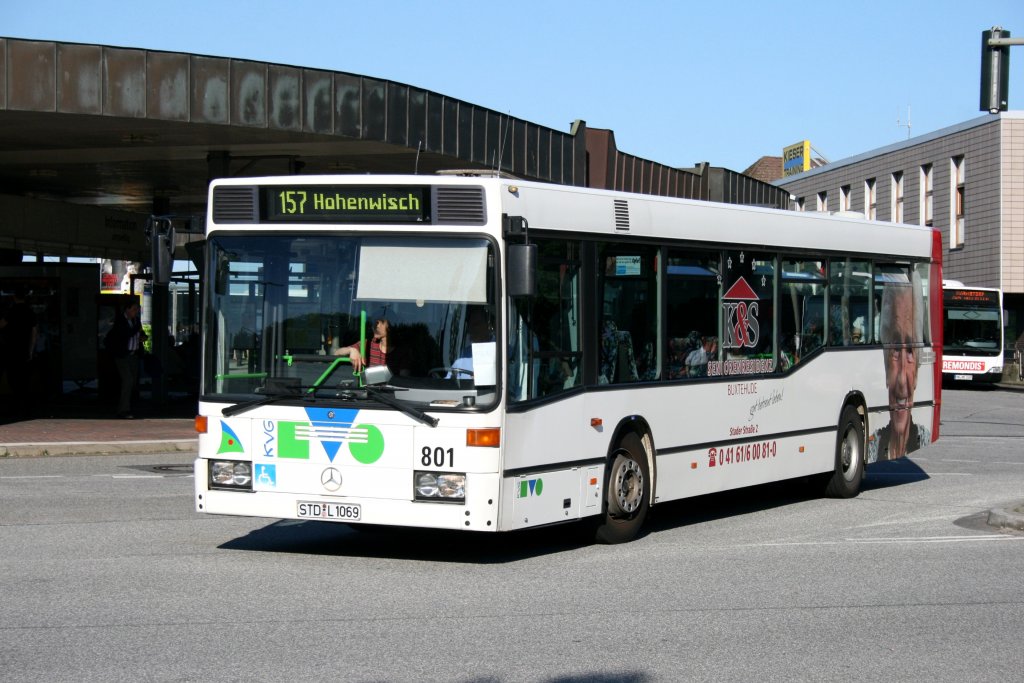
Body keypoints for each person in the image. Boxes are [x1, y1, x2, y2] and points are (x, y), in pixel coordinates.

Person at [869, 281, 929, 462]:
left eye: (911, 351)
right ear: (886, 367)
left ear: (917, 372)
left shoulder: (924, 436)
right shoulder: (872, 446)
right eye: (895, 350)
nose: (902, 381)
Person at [0, 285, 38, 418]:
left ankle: (16, 405)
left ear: (14, 297)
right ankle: (26, 406)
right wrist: (31, 350)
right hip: (24, 349)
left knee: (13, 378)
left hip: (11, 349)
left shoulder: (11, 311)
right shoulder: (30, 312)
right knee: (24, 379)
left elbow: (2, 325)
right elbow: (34, 333)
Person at [105, 300, 146, 418]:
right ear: (127, 310)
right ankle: (123, 409)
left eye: (137, 309)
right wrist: (136, 328)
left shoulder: (136, 321)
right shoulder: (120, 321)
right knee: (128, 380)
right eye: (134, 309)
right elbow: (125, 334)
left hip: (134, 354)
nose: (136, 312)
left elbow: (139, 333)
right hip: (122, 355)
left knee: (132, 381)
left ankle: (127, 404)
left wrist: (143, 336)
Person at [334, 317, 401, 374]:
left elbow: (404, 380)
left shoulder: (401, 351)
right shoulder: (367, 343)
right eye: (375, 322)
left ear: (390, 326)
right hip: (366, 388)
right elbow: (337, 353)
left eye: (381, 322)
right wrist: (351, 350)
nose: (376, 326)